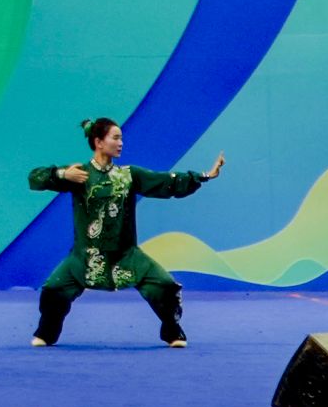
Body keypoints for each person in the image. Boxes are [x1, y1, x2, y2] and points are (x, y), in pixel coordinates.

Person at [28, 118, 223, 348]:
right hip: (85, 257)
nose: (121, 143)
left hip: (127, 256)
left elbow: (164, 182)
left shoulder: (129, 175)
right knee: (53, 290)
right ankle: (46, 333)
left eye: (121, 138)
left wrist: (204, 175)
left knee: (165, 287)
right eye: (116, 138)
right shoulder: (79, 174)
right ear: (99, 142)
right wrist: (62, 175)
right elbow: (34, 178)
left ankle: (172, 331)